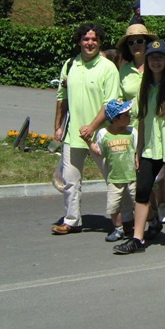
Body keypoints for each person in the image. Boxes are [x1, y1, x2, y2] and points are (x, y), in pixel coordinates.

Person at [115, 41, 165, 254]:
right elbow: (141, 120)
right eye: (152, 57)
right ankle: (137, 238)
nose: (155, 61)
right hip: (150, 149)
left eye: (160, 57)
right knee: (142, 191)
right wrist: (138, 150)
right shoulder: (144, 88)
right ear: (147, 61)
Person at [51, 23, 120, 235]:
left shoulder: (108, 68)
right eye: (86, 39)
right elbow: (62, 97)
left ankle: (125, 220)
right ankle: (72, 221)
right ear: (79, 41)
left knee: (115, 179)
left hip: (101, 134)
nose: (90, 43)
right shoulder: (70, 64)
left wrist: (92, 127)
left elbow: (111, 104)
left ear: (100, 42)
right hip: (74, 135)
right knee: (70, 180)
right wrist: (58, 127)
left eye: (94, 39)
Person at [90, 100, 138, 242]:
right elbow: (99, 151)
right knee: (113, 206)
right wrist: (88, 141)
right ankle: (118, 228)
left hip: (132, 176)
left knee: (139, 203)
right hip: (114, 177)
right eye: (125, 115)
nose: (129, 116)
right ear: (115, 119)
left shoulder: (132, 132)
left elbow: (137, 151)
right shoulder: (103, 133)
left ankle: (145, 225)